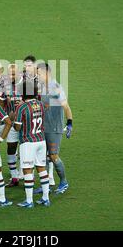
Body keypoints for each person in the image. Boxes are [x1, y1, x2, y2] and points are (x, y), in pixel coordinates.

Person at [36, 63, 73, 195]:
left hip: (54, 128)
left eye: (39, 73)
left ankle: (64, 182)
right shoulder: (41, 87)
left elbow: (66, 107)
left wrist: (69, 123)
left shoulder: (56, 88)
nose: (37, 76)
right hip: (42, 127)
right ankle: (45, 185)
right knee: (42, 157)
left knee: (53, 155)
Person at [13, 81, 50, 208]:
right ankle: (46, 198)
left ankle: (29, 201)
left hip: (28, 142)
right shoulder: (40, 104)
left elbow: (17, 128)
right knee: (41, 168)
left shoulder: (21, 107)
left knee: (27, 170)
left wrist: (14, 121)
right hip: (41, 140)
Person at [4, 64, 24, 187]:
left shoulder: (27, 85)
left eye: (13, 74)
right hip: (11, 123)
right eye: (9, 74)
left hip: (24, 124)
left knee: (25, 149)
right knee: (11, 147)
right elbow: (2, 103)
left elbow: (36, 101)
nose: (11, 76)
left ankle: (26, 177)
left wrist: (23, 102)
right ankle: (14, 177)